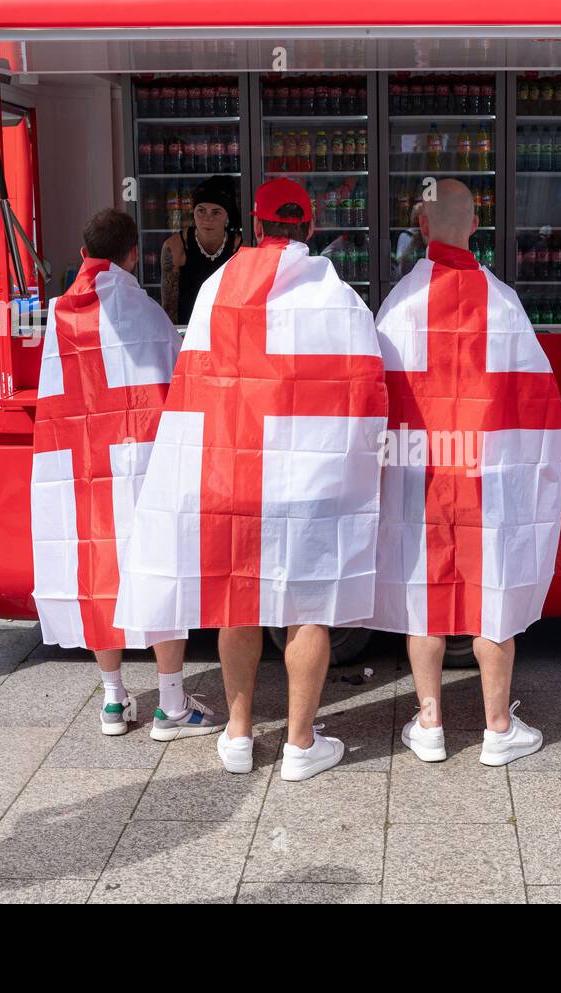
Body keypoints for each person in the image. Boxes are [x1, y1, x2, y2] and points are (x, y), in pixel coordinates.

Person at [115, 178, 387, 782]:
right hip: (312, 477)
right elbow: (369, 386)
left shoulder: (216, 288)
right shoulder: (335, 294)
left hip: (232, 467)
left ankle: (238, 735)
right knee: (309, 606)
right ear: (310, 228)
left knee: (238, 600)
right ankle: (299, 743)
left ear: (256, 226)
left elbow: (195, 387)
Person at [369, 178, 561, 765]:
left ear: (423, 228)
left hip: (419, 474)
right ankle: (498, 728)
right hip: (489, 476)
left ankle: (430, 724)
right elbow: (541, 404)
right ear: (475, 227)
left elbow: (376, 395)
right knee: (494, 590)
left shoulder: (398, 303)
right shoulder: (503, 302)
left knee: (422, 594)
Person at [31, 208, 218, 741]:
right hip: (140, 461)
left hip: (81, 466)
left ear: (85, 247)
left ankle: (114, 701)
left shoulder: (60, 312)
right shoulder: (142, 310)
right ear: (133, 254)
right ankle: (172, 706)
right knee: (160, 567)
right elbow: (177, 383)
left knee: (95, 568)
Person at [160, 175, 240, 326]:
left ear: (227, 216)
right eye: (201, 211)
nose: (207, 219)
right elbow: (169, 309)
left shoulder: (240, 248)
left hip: (227, 332)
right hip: (187, 334)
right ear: (193, 213)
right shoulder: (175, 247)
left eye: (216, 212)